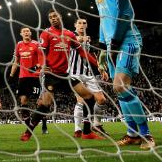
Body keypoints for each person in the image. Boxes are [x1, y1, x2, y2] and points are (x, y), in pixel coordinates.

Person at [93, 0, 155, 149]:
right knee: (118, 91)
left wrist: (116, 40)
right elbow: (103, 19)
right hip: (111, 45)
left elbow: (122, 13)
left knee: (121, 86)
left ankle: (146, 135)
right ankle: (132, 134)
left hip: (127, 38)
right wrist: (103, 50)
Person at [20, 10, 103, 141]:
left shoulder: (69, 34)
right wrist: (42, 65)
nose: (53, 18)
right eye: (50, 17)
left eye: (55, 16)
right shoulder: (46, 33)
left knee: (89, 97)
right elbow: (41, 53)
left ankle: (87, 132)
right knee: (45, 105)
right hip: (52, 75)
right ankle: (28, 132)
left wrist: (97, 64)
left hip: (66, 75)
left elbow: (82, 52)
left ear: (60, 17)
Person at [71, 18, 108, 137]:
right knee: (81, 101)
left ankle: (96, 124)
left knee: (101, 99)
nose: (82, 25)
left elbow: (91, 55)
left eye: (84, 23)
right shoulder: (71, 35)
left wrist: (101, 68)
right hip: (74, 73)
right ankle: (77, 129)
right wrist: (81, 38)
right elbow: (71, 40)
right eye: (79, 23)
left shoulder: (88, 39)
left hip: (88, 73)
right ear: (75, 25)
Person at [9, 27, 48, 134]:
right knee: (23, 101)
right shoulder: (19, 45)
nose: (26, 33)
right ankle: (29, 128)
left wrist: (36, 67)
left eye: (28, 31)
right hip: (23, 77)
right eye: (24, 31)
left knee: (40, 102)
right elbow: (16, 61)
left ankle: (44, 126)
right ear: (21, 34)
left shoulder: (36, 44)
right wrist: (11, 75)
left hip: (36, 76)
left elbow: (43, 59)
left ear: (30, 33)